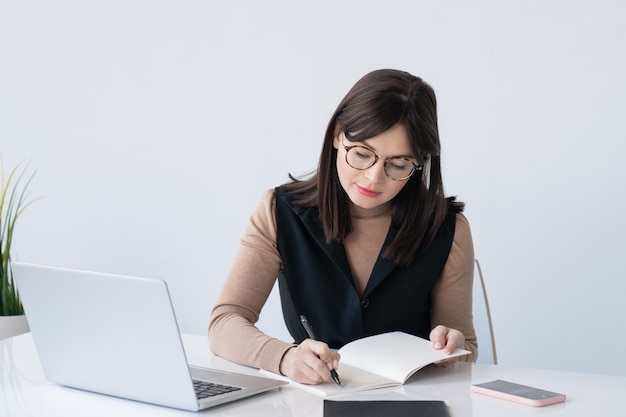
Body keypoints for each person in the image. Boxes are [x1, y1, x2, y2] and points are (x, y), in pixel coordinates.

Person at [209, 69, 477, 386]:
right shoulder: (279, 212)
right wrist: (284, 358)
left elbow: (466, 348)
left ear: (419, 164)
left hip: (410, 402)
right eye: (362, 154)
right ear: (338, 135)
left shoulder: (447, 228)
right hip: (312, 399)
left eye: (398, 164)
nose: (374, 177)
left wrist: (451, 346)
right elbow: (224, 322)